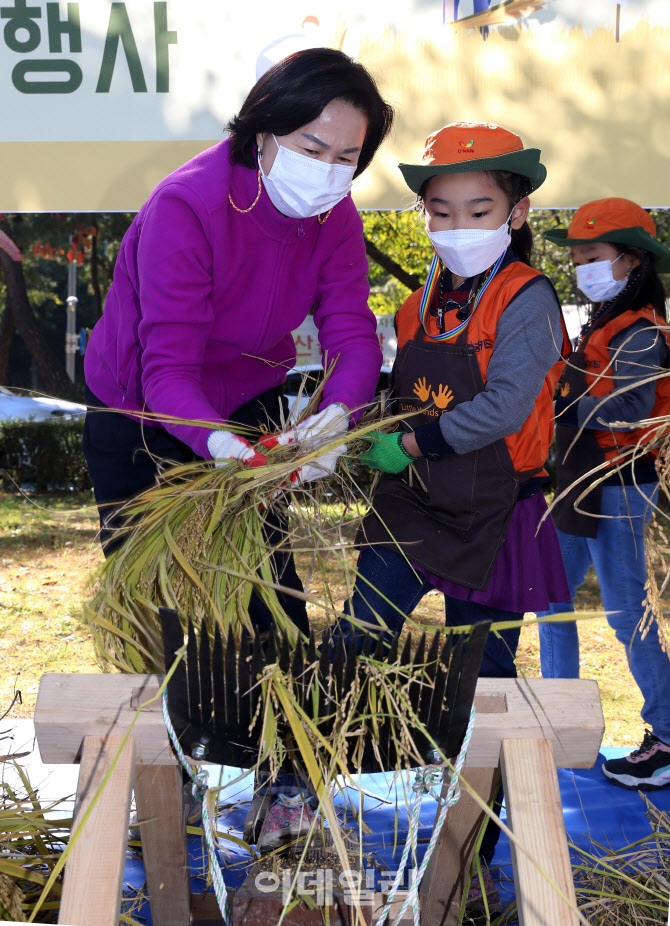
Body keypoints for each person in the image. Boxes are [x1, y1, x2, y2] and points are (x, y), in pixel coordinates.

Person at [82, 46, 393, 839]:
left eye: (347, 158)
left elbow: (352, 330)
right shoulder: (188, 204)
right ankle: (173, 773)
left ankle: (285, 777)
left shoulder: (333, 212)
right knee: (155, 599)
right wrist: (216, 447)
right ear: (263, 131)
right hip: (145, 413)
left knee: (270, 596)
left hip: (245, 401)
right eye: (312, 148)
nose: (328, 170)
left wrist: (338, 413)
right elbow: (168, 366)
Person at [333, 122, 572, 908]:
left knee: (489, 690)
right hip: (412, 506)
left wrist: (418, 441)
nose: (458, 227)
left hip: (498, 513)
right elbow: (396, 395)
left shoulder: (528, 298)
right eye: (442, 210)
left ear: (518, 211)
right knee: (351, 644)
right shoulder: (416, 303)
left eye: (479, 209)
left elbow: (507, 405)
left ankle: (473, 851)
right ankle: (305, 807)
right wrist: (350, 429)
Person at [538, 198, 670, 791]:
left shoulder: (641, 330)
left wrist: (556, 402)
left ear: (632, 260)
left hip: (618, 484)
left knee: (626, 615)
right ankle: (559, 725)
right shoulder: (601, 319)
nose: (580, 268)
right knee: (552, 601)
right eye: (576, 258)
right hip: (578, 479)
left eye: (592, 257)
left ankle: (666, 735)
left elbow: (632, 408)